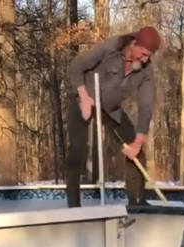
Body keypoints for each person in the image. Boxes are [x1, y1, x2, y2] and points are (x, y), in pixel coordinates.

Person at [65, 26, 162, 208]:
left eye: (149, 56)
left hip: (110, 109)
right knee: (77, 149)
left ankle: (137, 203)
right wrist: (84, 97)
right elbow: (76, 66)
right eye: (143, 54)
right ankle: (74, 207)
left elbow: (146, 106)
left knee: (136, 147)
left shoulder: (146, 71)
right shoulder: (111, 48)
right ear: (134, 44)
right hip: (83, 97)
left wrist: (137, 143)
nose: (145, 59)